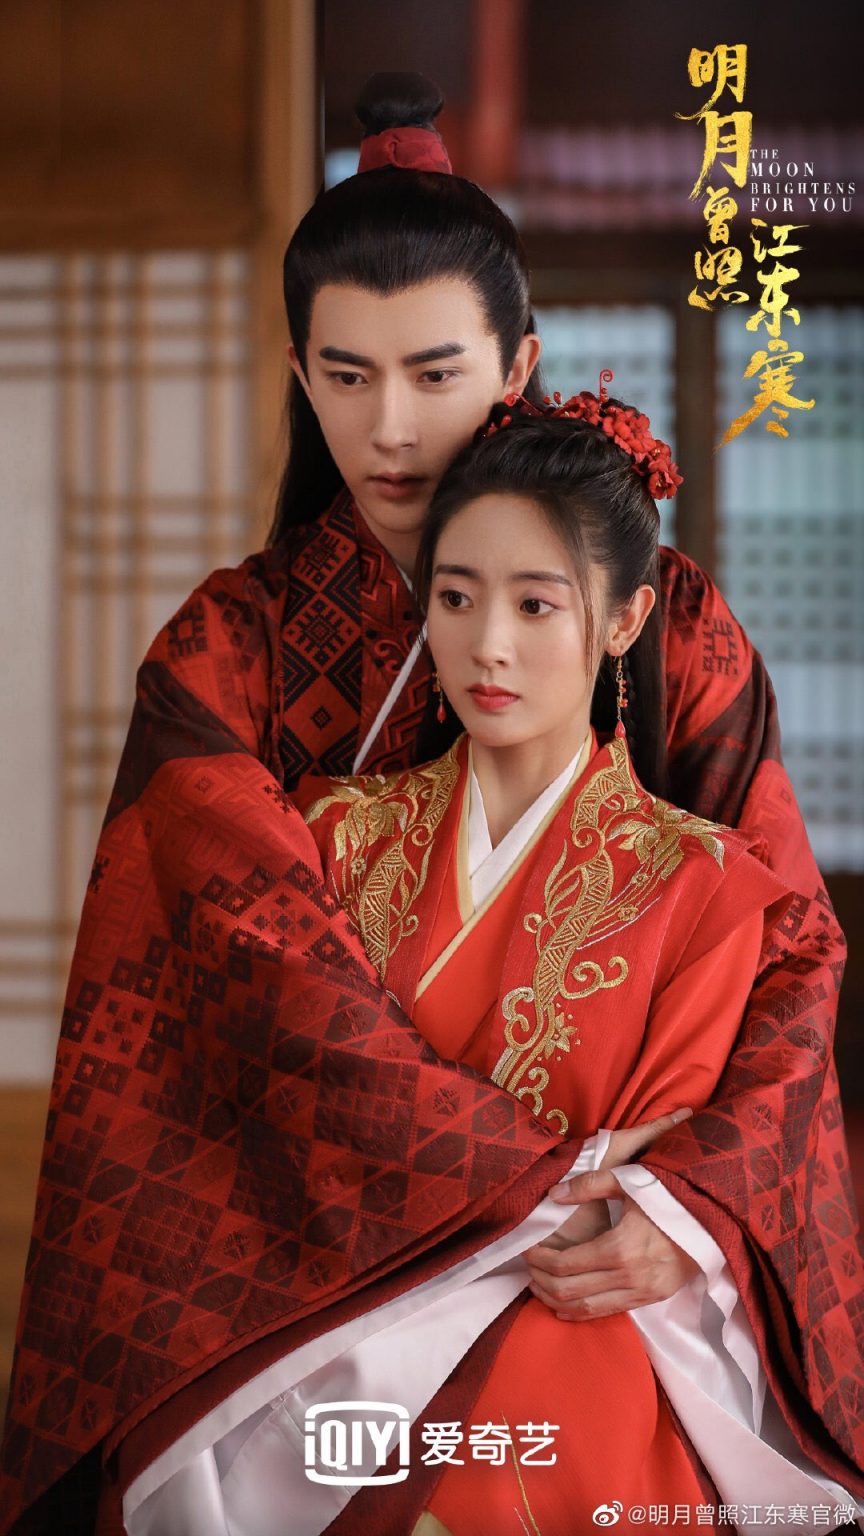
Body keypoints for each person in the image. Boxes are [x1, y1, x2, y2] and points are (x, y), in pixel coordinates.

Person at [0, 71, 860, 1535]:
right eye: (346, 376)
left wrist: (689, 1209)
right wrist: (515, 1181)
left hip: (608, 1250)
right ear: (298, 370)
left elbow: (783, 938)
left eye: (435, 373)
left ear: (518, 364)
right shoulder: (231, 649)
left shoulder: (671, 626)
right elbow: (262, 971)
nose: (389, 427)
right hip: (312, 1244)